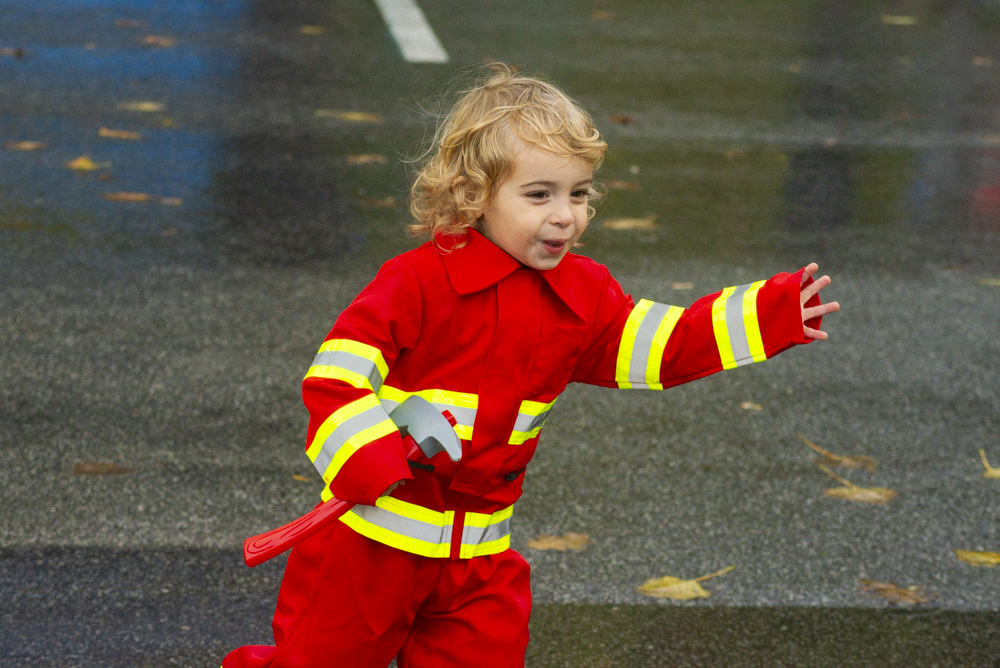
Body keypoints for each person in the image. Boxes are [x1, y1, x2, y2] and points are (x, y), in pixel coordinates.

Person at [221, 64, 840, 668]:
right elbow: (336, 377)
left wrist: (770, 314)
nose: (564, 214)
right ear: (473, 195)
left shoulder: (585, 294)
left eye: (579, 193)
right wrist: (368, 456)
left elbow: (665, 347)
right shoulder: (417, 282)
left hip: (480, 563)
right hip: (372, 548)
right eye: (539, 194)